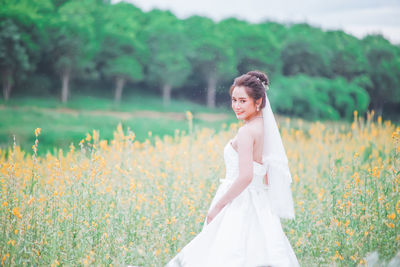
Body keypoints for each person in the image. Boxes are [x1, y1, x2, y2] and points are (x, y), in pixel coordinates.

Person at [164, 70, 300, 267]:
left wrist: (218, 206)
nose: (236, 106)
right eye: (234, 100)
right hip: (259, 200)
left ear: (258, 101)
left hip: (238, 201)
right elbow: (268, 175)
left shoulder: (246, 132)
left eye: (243, 101)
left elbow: (245, 176)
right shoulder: (266, 129)